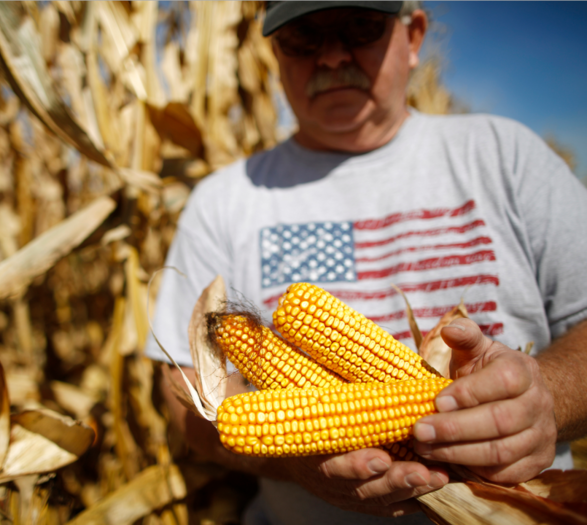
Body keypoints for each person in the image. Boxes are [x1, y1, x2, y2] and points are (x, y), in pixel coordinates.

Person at [145, 1, 587, 523]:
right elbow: (182, 392)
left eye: (358, 26)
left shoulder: (506, 156)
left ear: (413, 35)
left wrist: (547, 402)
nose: (331, 56)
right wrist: (288, 458)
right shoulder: (224, 199)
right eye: (303, 37)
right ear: (273, 53)